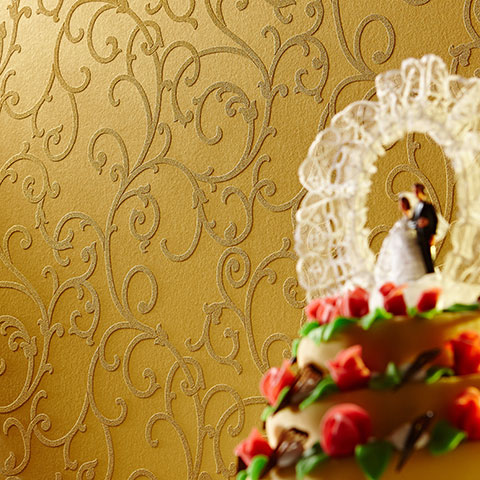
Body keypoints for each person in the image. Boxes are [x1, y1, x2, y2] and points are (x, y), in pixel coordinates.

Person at [374, 193, 428, 287]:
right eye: (401, 204)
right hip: (400, 268)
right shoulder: (399, 226)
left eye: (403, 204)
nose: (401, 206)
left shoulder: (414, 223)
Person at [411, 183, 438, 273]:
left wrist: (433, 235)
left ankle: (431, 274)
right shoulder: (415, 208)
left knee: (429, 259)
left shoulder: (429, 207)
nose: (415, 193)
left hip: (428, 236)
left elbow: (434, 220)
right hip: (419, 237)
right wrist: (417, 224)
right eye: (414, 191)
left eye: (417, 191)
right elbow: (412, 222)